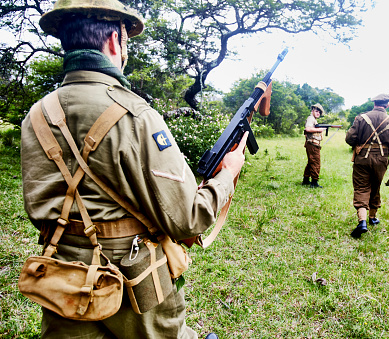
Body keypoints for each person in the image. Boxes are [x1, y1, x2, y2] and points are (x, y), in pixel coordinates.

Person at [20, 0, 246, 338]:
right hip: (133, 281)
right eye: (127, 41)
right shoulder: (135, 115)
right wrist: (227, 173)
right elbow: (188, 219)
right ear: (114, 40)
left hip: (61, 277)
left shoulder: (36, 116)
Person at [345, 94, 389, 238]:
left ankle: (362, 222)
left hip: (362, 159)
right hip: (381, 160)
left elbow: (349, 138)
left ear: (374, 103)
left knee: (361, 188)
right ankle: (372, 217)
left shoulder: (361, 118)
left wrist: (358, 145)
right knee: (375, 187)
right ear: (387, 105)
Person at [302, 103, 326, 188]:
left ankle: (306, 180)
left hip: (312, 144)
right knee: (316, 163)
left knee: (311, 162)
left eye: (319, 112)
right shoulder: (311, 118)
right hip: (312, 144)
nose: (318, 113)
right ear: (312, 111)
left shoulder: (313, 119)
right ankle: (314, 182)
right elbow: (307, 129)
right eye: (316, 111)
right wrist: (320, 130)